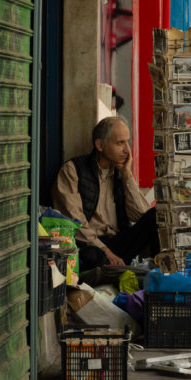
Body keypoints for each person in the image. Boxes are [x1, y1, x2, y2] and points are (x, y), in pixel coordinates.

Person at [53, 116, 159, 271]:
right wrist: (106, 251)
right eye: (120, 143)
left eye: (127, 142)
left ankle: (161, 277)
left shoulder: (119, 174)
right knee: (95, 258)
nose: (126, 150)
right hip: (89, 245)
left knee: (156, 216)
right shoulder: (73, 170)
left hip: (116, 242)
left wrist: (127, 174)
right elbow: (74, 223)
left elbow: (141, 214)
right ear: (100, 145)